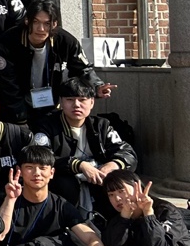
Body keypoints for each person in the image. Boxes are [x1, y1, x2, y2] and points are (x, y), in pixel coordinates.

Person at [33, 77, 136, 214]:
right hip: (63, 184)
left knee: (120, 180)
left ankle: (125, 218)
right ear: (61, 102)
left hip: (98, 180)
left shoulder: (101, 125)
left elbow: (127, 153)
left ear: (92, 102)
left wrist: (113, 165)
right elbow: (40, 157)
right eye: (70, 100)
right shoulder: (46, 126)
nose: (76, 105)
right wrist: (79, 165)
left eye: (82, 100)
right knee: (65, 183)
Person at [0, 0, 104, 124]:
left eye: (47, 24)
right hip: (15, 108)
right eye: (35, 22)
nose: (41, 29)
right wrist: (20, 116)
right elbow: (8, 83)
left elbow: (82, 68)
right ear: (27, 21)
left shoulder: (65, 41)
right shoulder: (9, 40)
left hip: (51, 106)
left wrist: (97, 86)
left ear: (54, 24)